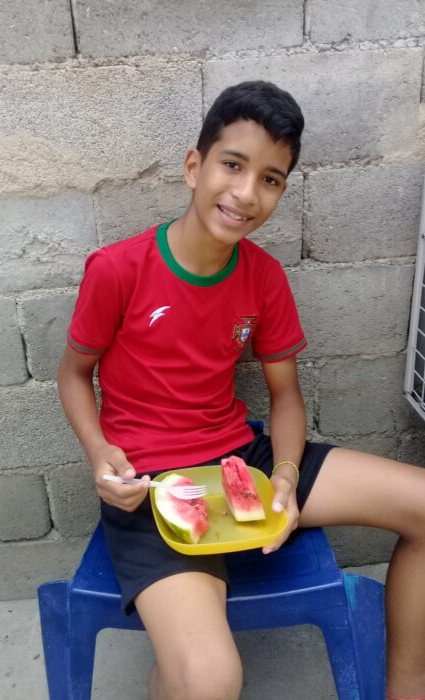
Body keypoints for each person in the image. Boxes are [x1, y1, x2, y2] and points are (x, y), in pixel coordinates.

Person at [57, 80, 425, 700]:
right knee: (211, 680)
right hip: (150, 484)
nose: (247, 193)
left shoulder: (264, 276)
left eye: (271, 179)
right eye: (233, 165)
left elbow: (285, 397)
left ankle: (408, 688)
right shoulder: (118, 269)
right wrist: (99, 453)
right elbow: (73, 374)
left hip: (242, 459)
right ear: (194, 166)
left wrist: (283, 475)